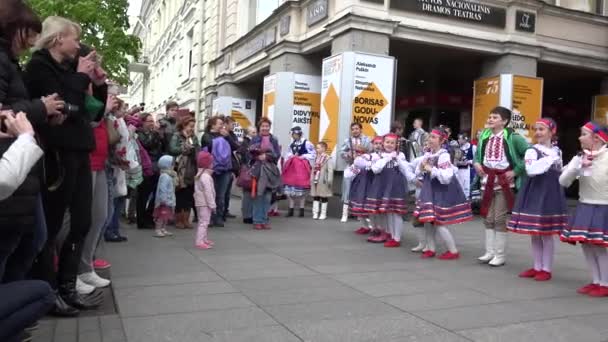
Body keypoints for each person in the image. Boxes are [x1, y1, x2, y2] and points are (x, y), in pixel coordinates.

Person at [25, 16, 106, 316]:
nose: (78, 44)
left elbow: (88, 110)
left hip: (80, 149)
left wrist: (96, 84)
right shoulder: (39, 66)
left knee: (82, 220)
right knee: (53, 221)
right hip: (57, 153)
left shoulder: (70, 69)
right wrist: (80, 80)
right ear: (58, 38)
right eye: (74, 38)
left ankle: (68, 287)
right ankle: (49, 291)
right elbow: (61, 106)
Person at [507, 118, 567, 282]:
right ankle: (537, 266)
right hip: (535, 191)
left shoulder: (557, 151)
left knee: (546, 233)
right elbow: (531, 170)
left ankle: (546, 269)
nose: (538, 132)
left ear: (551, 131)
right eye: (536, 129)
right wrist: (549, 159)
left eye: (542, 129)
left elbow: (560, 171)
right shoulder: (532, 150)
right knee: (535, 232)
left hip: (551, 192)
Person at [474, 106, 528, 267]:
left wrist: (516, 170)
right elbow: (478, 155)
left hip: (505, 183)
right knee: (487, 217)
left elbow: (529, 153)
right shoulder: (484, 135)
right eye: (490, 116)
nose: (490, 119)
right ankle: (489, 252)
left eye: (495, 117)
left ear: (504, 121)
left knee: (499, 218)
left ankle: (500, 254)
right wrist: (476, 163)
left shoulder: (513, 137)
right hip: (487, 181)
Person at [559, 122, 608, 297]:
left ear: (597, 138)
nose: (579, 137)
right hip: (585, 205)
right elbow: (563, 181)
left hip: (603, 207)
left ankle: (605, 283)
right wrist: (579, 167)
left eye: (583, 134)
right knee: (586, 245)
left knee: (599, 246)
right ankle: (595, 280)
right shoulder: (579, 158)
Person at [414, 127, 473, 260]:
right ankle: (430, 248)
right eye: (430, 137)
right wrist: (422, 167)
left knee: (439, 222)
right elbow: (419, 172)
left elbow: (446, 177)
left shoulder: (443, 155)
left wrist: (430, 168)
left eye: (434, 137)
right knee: (428, 221)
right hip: (430, 190)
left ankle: (452, 250)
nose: (430, 139)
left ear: (442, 141)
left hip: (441, 191)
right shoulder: (428, 154)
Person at [366, 134, 414, 248]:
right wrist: (386, 158)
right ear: (383, 143)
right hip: (382, 185)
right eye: (387, 142)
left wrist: (413, 179)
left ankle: (396, 238)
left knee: (396, 212)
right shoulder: (379, 156)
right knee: (387, 212)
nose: (389, 145)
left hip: (395, 186)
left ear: (396, 144)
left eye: (392, 143)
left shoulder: (400, 155)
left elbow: (406, 168)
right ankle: (390, 234)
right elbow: (375, 169)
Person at [200, 116, 233, 228]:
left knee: (221, 195)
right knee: (210, 194)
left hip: (225, 169)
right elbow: (209, 146)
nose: (222, 126)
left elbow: (236, 147)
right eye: (219, 123)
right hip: (211, 169)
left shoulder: (226, 135)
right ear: (212, 125)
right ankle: (210, 217)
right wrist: (220, 139)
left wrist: (227, 137)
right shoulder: (206, 136)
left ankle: (219, 217)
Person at [249, 118, 281, 230]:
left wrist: (267, 156)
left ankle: (264, 219)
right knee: (259, 195)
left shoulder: (274, 139)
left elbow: (277, 154)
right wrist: (257, 156)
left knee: (267, 197)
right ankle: (257, 220)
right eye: (263, 126)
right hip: (258, 170)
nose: (265, 128)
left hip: (270, 170)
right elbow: (249, 154)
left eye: (267, 126)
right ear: (259, 127)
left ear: (270, 127)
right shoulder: (254, 139)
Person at [169, 117, 199, 229]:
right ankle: (179, 220)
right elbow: (172, 149)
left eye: (193, 126)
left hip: (191, 168)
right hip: (180, 168)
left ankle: (186, 219)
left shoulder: (194, 137)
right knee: (180, 194)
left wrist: (193, 148)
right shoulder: (177, 136)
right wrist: (184, 148)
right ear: (183, 125)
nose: (192, 128)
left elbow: (197, 150)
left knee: (189, 195)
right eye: (190, 126)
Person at [136, 113, 163, 229]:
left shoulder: (154, 134)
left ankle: (148, 217)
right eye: (149, 121)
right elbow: (147, 144)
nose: (152, 123)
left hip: (156, 165)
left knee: (156, 193)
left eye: (153, 121)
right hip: (145, 167)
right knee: (143, 195)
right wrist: (156, 134)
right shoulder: (139, 133)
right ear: (143, 122)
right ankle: (141, 220)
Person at [340, 123, 371, 222]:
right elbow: (341, 153)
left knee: (361, 190)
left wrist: (363, 150)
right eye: (352, 129)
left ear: (361, 129)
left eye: (357, 128)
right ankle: (345, 214)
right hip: (351, 167)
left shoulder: (367, 139)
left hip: (362, 169)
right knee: (348, 189)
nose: (355, 130)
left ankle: (360, 214)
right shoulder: (347, 140)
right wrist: (347, 154)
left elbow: (372, 151)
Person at [282, 126, 315, 217]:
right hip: (292, 168)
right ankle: (291, 209)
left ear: (299, 134)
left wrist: (303, 156)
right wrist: (291, 156)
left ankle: (301, 209)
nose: (293, 136)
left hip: (302, 168)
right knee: (290, 189)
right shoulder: (292, 144)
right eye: (292, 134)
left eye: (294, 134)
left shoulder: (307, 143)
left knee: (302, 189)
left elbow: (313, 154)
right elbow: (287, 154)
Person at [194, 151, 216, 249]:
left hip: (200, 202)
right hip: (205, 203)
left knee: (202, 221)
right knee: (204, 222)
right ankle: (200, 241)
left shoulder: (199, 175)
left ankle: (204, 239)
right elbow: (208, 192)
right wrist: (212, 205)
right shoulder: (206, 176)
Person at [153, 155, 176, 237]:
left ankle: (163, 228)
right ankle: (158, 229)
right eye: (172, 164)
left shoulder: (168, 175)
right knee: (161, 216)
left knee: (166, 216)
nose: (173, 166)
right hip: (164, 201)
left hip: (168, 200)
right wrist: (163, 199)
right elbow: (162, 189)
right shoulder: (165, 176)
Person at [222, 116, 241, 220]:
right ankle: (221, 212)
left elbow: (236, 146)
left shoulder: (231, 135)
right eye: (232, 124)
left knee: (227, 191)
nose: (234, 126)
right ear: (226, 124)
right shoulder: (222, 135)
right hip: (223, 164)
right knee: (223, 191)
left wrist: (229, 137)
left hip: (231, 165)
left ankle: (226, 210)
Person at [310, 141, 333, 220]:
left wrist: (329, 180)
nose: (317, 149)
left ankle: (323, 214)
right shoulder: (316, 157)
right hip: (316, 179)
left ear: (323, 148)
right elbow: (313, 168)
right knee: (316, 196)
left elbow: (330, 170)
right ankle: (315, 213)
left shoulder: (328, 158)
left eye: (318, 148)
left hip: (323, 180)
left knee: (324, 196)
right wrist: (311, 178)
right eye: (317, 148)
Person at [239, 126, 257, 224]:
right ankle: (247, 215)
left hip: (249, 169)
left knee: (249, 193)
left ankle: (248, 214)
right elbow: (246, 156)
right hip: (248, 170)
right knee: (247, 193)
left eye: (255, 132)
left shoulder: (248, 142)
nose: (255, 134)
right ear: (248, 133)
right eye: (253, 132)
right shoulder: (246, 143)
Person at [455, 133, 474, 198]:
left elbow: (476, 159)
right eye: (458, 139)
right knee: (459, 186)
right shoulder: (458, 148)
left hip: (468, 170)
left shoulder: (472, 147)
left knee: (466, 186)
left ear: (465, 139)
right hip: (458, 169)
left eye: (460, 139)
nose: (458, 140)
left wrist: (468, 162)